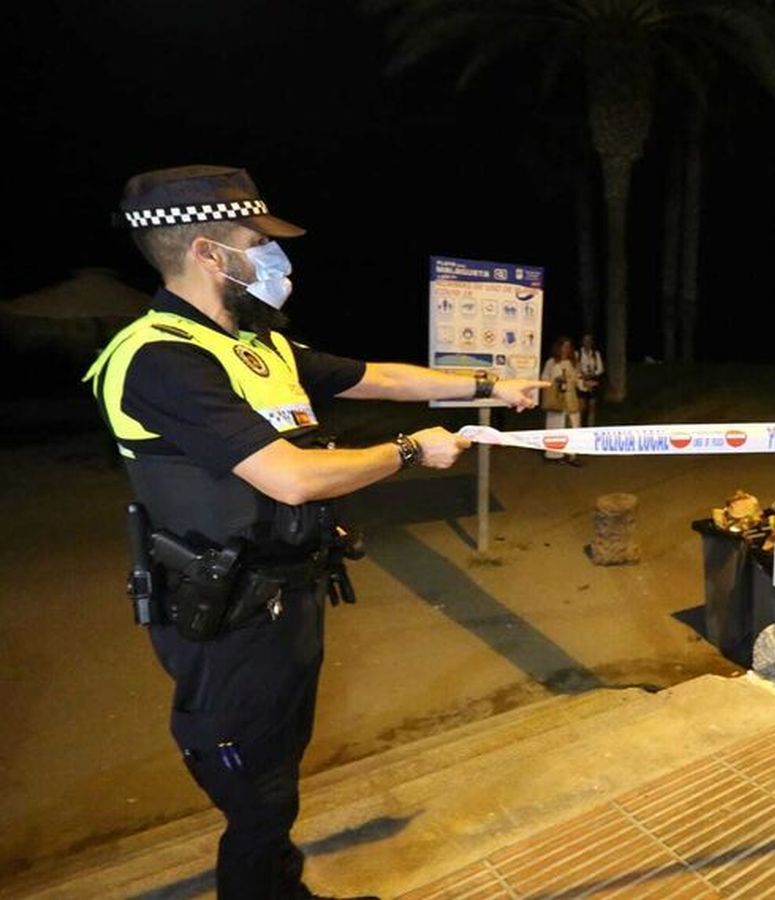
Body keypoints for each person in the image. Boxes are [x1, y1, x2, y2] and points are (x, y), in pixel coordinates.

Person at [86, 165, 545, 899]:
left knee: (279, 767)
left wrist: (491, 387)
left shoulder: (257, 341)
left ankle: (282, 887)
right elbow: (291, 477)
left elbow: (376, 378)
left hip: (287, 591)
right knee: (255, 791)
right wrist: (408, 451)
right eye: (257, 241)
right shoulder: (161, 360)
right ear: (208, 252)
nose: (279, 260)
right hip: (224, 611)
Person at [541, 335, 583, 466]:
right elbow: (544, 378)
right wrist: (555, 381)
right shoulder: (552, 362)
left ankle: (572, 454)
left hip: (571, 397)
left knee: (574, 425)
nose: (566, 349)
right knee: (557, 426)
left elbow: (577, 379)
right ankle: (555, 454)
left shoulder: (573, 362)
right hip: (557, 398)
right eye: (564, 346)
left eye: (568, 347)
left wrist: (585, 385)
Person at [576, 332, 605, 427]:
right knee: (581, 407)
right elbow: (575, 368)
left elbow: (600, 369)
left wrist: (592, 374)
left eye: (589, 341)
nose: (587, 343)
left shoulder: (596, 354)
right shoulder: (578, 353)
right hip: (581, 382)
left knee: (592, 407)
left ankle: (590, 426)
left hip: (592, 381)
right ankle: (578, 426)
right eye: (585, 340)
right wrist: (583, 376)